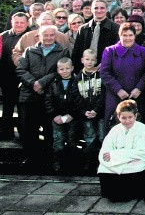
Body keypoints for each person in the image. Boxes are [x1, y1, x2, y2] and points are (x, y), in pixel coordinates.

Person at [16, 25, 71, 171]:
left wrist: (41, 83)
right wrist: (33, 83)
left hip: (50, 96)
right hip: (28, 96)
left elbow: (58, 72)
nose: (48, 38)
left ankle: (48, 161)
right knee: (28, 130)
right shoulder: (29, 51)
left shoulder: (63, 51)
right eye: (45, 35)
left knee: (49, 130)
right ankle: (32, 160)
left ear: (55, 36)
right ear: (38, 36)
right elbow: (21, 69)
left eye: (51, 35)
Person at [97, 99, 145, 202]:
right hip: (120, 163)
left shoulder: (143, 129)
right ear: (118, 117)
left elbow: (142, 152)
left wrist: (115, 155)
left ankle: (131, 192)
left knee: (137, 167)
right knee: (103, 168)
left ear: (135, 116)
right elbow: (105, 152)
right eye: (123, 118)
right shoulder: (114, 130)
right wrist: (120, 158)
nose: (127, 121)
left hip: (136, 163)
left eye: (130, 117)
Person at [101, 23, 145, 132]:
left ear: (135, 36)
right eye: (125, 35)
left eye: (130, 35)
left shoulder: (143, 51)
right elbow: (105, 73)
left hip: (137, 96)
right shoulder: (110, 51)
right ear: (120, 36)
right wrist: (118, 89)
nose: (128, 38)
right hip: (115, 96)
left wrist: (139, 88)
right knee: (114, 127)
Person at [45, 57, 85, 173]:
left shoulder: (78, 81)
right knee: (58, 142)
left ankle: (72, 164)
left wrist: (72, 114)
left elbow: (80, 99)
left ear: (72, 68)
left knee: (72, 142)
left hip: (72, 118)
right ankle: (57, 163)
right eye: (62, 69)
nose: (65, 71)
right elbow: (48, 100)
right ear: (58, 70)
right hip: (57, 118)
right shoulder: (53, 83)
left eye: (67, 68)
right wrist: (54, 115)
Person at [0, 12, 31, 140]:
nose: (19, 25)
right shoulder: (3, 36)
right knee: (7, 107)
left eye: (22, 22)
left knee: (24, 109)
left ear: (27, 23)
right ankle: (6, 133)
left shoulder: (31, 36)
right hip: (7, 78)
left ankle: (24, 135)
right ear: (12, 22)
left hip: (26, 79)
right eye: (16, 22)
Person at [75, 49, 105, 173]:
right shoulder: (78, 77)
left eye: (92, 60)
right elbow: (76, 96)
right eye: (87, 59)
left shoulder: (101, 75)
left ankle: (102, 163)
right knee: (89, 138)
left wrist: (96, 110)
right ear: (82, 60)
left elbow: (103, 95)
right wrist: (84, 111)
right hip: (86, 114)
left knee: (103, 138)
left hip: (100, 113)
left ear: (96, 61)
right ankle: (89, 163)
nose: (89, 62)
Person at [71, 0, 120, 73]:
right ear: (91, 9)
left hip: (107, 71)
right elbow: (77, 52)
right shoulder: (83, 29)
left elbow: (117, 52)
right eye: (96, 8)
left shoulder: (116, 28)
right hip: (85, 71)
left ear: (107, 9)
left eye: (102, 8)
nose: (99, 11)